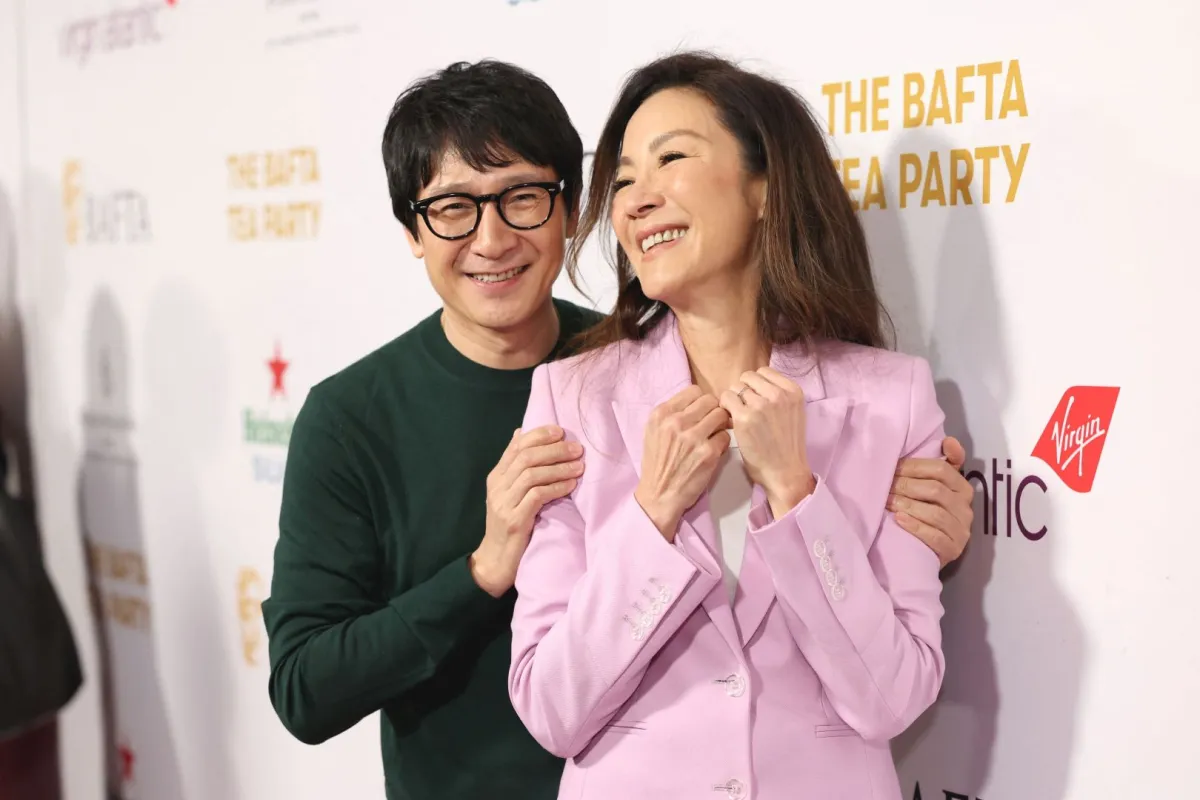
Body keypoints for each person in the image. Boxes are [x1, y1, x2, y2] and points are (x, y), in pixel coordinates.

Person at [262, 59, 975, 800]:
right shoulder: (438, 409)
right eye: (451, 208)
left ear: (568, 209)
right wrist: (490, 567)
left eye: (522, 198)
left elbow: (890, 680)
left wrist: (837, 511)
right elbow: (313, 688)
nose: (492, 237)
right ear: (413, 227)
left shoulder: (880, 395)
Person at [508, 51, 953, 799]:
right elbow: (551, 708)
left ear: (765, 189)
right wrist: (651, 516)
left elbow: (893, 698)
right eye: (620, 182)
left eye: (670, 158)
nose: (634, 200)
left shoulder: (891, 398)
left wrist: (798, 495)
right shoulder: (571, 398)